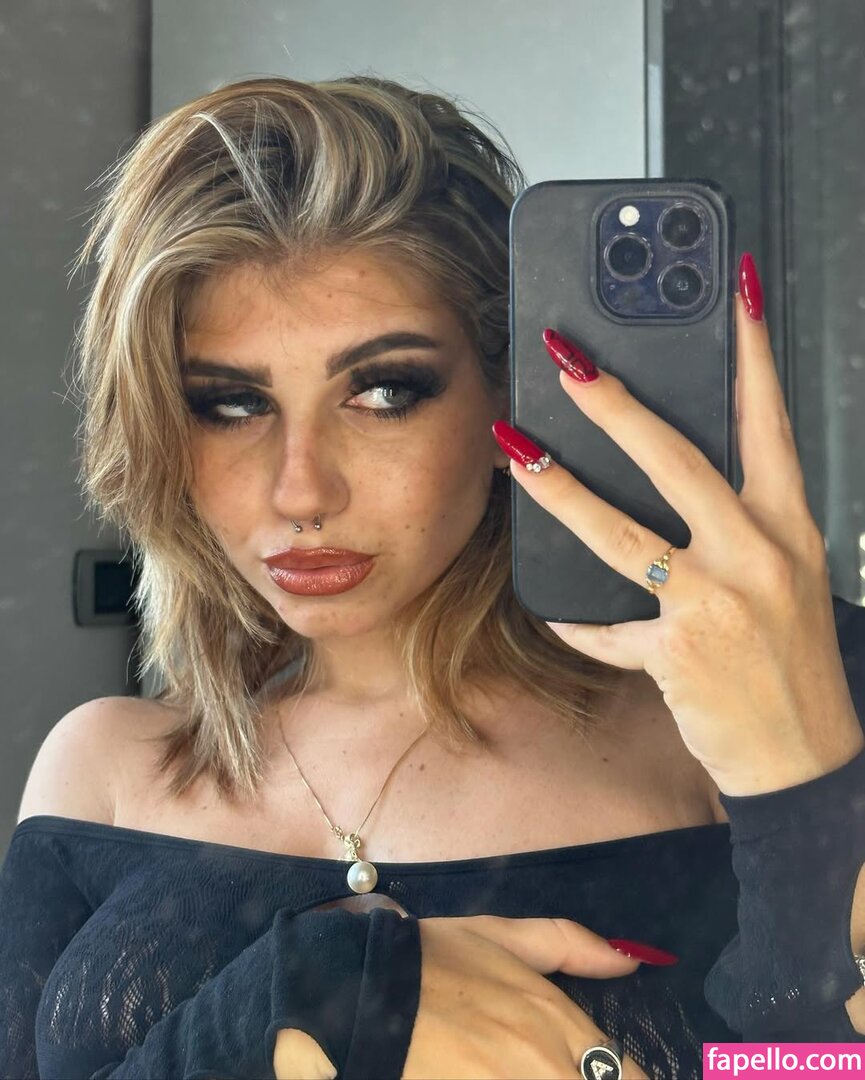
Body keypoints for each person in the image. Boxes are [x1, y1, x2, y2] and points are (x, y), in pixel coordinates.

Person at [1, 73, 864, 1080]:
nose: (300, 489)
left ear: (506, 395)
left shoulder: (762, 716)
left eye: (382, 392)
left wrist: (800, 780)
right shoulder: (104, 771)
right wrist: (303, 1000)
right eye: (229, 405)